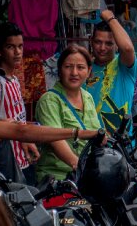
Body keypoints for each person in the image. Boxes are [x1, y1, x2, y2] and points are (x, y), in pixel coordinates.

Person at [35, 45, 103, 181]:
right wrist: (80, 166)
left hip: (84, 177)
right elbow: (56, 140)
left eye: (81, 67)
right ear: (60, 69)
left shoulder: (87, 97)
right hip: (58, 179)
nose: (74, 73)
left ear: (89, 71)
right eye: (68, 67)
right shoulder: (49, 100)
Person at [0, 23, 37, 182]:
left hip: (24, 159)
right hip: (8, 165)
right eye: (11, 47)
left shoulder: (15, 80)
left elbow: (19, 117)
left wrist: (27, 139)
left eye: (20, 46)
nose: (17, 52)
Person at [86, 8, 137, 132]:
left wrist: (111, 18)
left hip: (120, 145)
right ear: (91, 42)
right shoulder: (83, 68)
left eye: (109, 43)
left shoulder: (123, 65)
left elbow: (128, 48)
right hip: (88, 142)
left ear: (116, 45)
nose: (102, 48)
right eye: (98, 42)